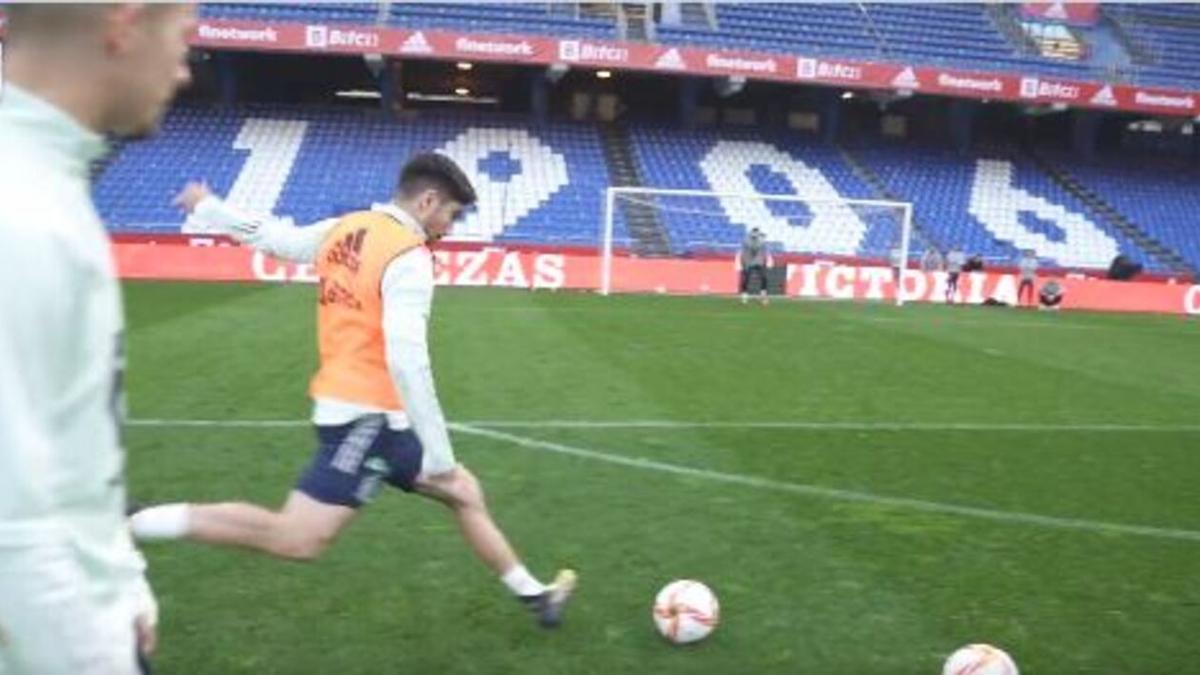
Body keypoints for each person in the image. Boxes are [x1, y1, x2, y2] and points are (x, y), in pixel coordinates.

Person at [130, 153, 577, 628]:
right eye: (451, 213)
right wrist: (440, 456)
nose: (450, 226)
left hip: (368, 414)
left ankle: (537, 597)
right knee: (296, 538)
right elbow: (408, 362)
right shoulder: (408, 255)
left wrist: (209, 208)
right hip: (367, 419)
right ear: (428, 201)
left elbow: (274, 238)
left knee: (465, 493)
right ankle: (133, 523)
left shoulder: (347, 227)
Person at [0, 4, 195, 673]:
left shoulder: (44, 183)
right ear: (124, 25)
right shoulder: (22, 213)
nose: (186, 68)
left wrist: (121, 581)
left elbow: (67, 457)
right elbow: (14, 530)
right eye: (182, 36)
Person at [737, 227, 773, 305]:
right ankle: (744, 296)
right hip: (748, 261)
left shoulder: (761, 241)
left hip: (758, 261)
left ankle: (763, 295)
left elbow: (765, 252)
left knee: (764, 277)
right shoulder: (747, 241)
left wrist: (767, 261)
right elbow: (753, 248)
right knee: (746, 279)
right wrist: (742, 262)